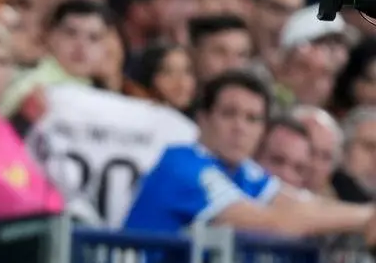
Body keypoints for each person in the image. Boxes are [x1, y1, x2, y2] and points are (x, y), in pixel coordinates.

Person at [124, 71, 376, 239]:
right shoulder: (182, 167)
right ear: (203, 118)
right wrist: (365, 217)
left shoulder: (243, 170)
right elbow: (273, 224)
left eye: (252, 119)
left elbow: (302, 203)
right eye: (229, 113)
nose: (240, 127)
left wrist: (366, 214)